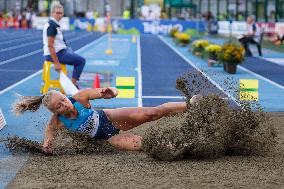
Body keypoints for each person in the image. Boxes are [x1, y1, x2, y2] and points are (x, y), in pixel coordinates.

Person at [12, 88, 202, 154]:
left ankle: (190, 104)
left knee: (152, 113)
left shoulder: (79, 98)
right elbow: (49, 138)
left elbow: (104, 92)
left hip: (111, 118)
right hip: (106, 138)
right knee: (145, 145)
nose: (65, 105)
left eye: (63, 99)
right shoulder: (56, 122)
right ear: (54, 111)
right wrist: (47, 146)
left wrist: (109, 92)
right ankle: (188, 145)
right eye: (59, 106)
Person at [43, 2, 86, 87]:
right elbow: (50, 45)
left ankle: (70, 82)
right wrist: (56, 63)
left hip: (60, 51)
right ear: (52, 13)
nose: (60, 15)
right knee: (81, 61)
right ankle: (72, 85)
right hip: (56, 54)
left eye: (61, 13)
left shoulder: (55, 24)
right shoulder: (52, 26)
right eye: (57, 13)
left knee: (70, 49)